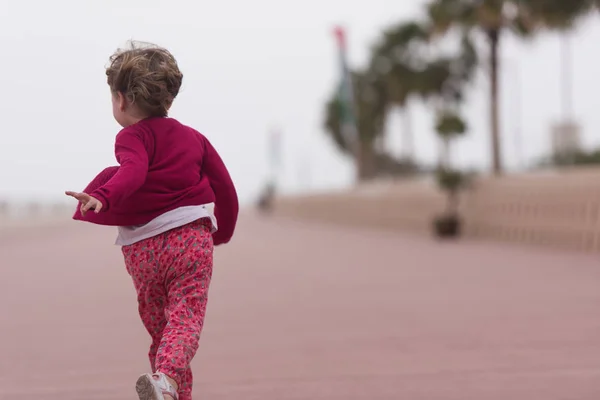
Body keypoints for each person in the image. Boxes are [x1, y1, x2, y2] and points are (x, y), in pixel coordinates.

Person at [65, 41, 239, 400]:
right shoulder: (195, 139)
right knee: (184, 318)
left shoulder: (131, 136)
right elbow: (225, 189)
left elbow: (133, 171)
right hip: (190, 241)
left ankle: (170, 388)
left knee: (163, 331)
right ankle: (166, 382)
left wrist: (103, 196)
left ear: (120, 99)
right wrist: (222, 233)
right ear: (168, 100)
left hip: (142, 250)